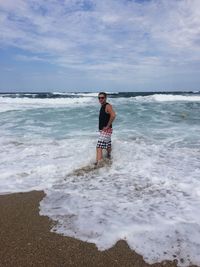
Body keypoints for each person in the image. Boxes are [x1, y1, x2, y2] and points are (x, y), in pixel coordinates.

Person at [96, 92, 116, 164]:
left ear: (105, 98)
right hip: (105, 130)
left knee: (99, 147)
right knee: (108, 145)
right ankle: (110, 158)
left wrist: (107, 126)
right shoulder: (103, 106)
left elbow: (113, 115)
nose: (100, 99)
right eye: (99, 98)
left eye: (102, 97)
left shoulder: (107, 106)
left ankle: (99, 163)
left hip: (106, 130)